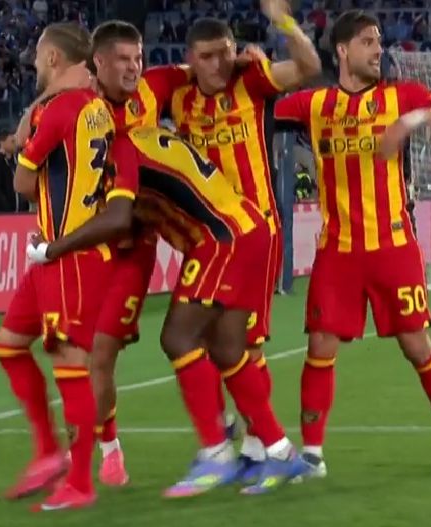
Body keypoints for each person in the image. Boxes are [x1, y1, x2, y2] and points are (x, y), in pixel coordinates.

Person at [27, 126, 309, 497]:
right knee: (227, 349)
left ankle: (216, 452)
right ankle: (281, 451)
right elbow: (129, 223)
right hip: (248, 228)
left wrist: (53, 248)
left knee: (178, 338)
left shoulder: (120, 151)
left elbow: (117, 220)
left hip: (221, 239)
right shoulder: (142, 140)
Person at [274, 10, 431, 478]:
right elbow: (259, 105)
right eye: (368, 41)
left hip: (393, 247)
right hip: (338, 252)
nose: (378, 49)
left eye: (379, 41)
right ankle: (312, 456)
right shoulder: (314, 104)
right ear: (343, 50)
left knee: (416, 345)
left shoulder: (401, 96)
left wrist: (412, 121)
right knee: (320, 346)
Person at [168, 0, 321, 480]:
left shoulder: (251, 81)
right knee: (207, 341)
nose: (218, 64)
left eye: (225, 52)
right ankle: (243, 440)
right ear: (191, 58)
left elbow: (309, 67)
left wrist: (283, 22)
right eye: (207, 56)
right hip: (210, 238)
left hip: (256, 232)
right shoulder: (177, 95)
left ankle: (259, 448)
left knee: (244, 345)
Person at [0, 22, 116, 512]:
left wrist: (25, 152)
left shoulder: (61, 109)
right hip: (53, 253)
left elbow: (23, 184)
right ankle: (48, 454)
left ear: (52, 59)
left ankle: (79, 480)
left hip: (70, 257)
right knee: (8, 345)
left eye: (38, 56)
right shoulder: (92, 106)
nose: (33, 64)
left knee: (70, 365)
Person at [84, 20, 192, 487]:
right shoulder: (78, 104)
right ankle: (104, 443)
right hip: (86, 244)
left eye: (139, 58)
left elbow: (204, 67)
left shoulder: (154, 87)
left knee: (101, 353)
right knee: (81, 356)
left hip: (134, 247)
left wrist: (245, 58)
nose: (134, 67)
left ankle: (103, 452)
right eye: (123, 59)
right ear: (99, 63)